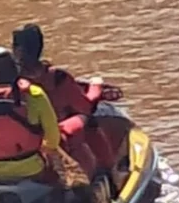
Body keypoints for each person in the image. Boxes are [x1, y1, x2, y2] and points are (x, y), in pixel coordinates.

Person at [0, 47, 96, 203]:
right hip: (33, 168)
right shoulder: (34, 94)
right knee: (67, 177)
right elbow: (53, 139)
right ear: (15, 70)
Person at [11, 23, 120, 173]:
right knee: (88, 120)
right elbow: (86, 106)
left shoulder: (8, 82)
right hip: (55, 138)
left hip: (19, 143)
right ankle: (111, 171)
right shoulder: (57, 78)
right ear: (40, 47)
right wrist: (96, 86)